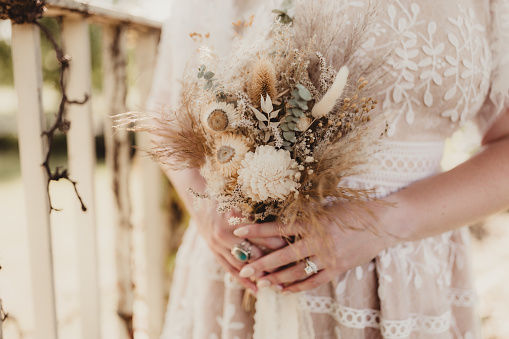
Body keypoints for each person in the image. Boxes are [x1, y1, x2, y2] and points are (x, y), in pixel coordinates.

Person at [146, 0, 509, 338]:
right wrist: (208, 208)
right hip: (238, 281)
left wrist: (385, 222)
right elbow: (165, 110)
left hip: (398, 282)